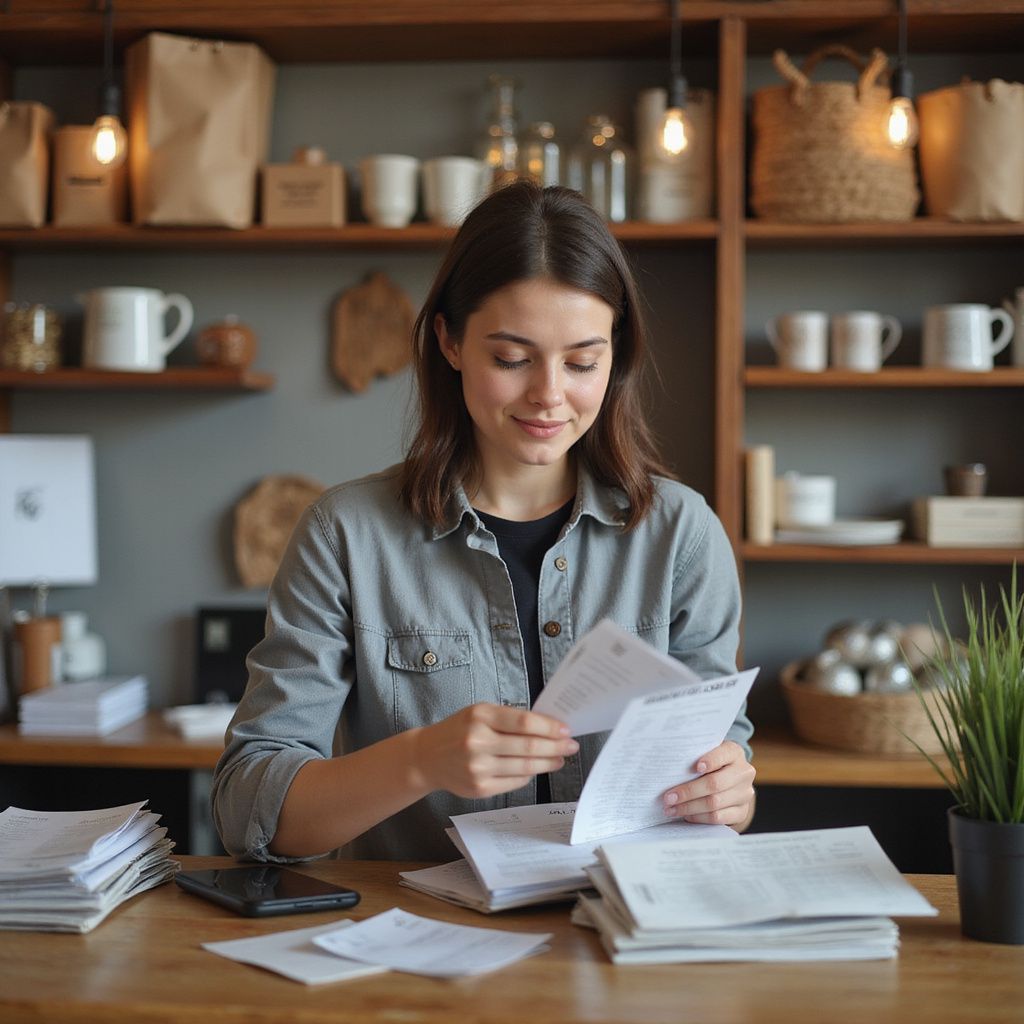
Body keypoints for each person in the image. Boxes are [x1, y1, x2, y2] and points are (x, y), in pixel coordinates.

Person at [211, 181, 755, 863]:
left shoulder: (681, 534)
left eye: (583, 361)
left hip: (617, 939)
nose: (550, 395)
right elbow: (247, 809)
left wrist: (731, 793)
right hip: (415, 944)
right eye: (511, 358)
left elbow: (720, 761)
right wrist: (418, 761)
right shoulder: (344, 534)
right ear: (449, 340)